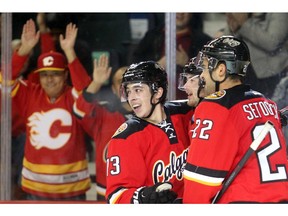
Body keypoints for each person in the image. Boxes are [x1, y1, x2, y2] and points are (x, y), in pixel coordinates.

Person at [183, 35, 288, 203]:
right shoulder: (267, 104)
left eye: (203, 68)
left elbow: (201, 181)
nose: (202, 75)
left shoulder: (215, 106)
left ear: (221, 70)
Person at [10, 19, 92, 200]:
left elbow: (85, 88)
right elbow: (5, 79)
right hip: (35, 188)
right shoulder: (30, 92)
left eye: (55, 74)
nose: (49, 80)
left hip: (72, 188)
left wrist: (69, 52)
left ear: (65, 75)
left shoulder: (74, 95)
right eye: (44, 75)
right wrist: (24, 49)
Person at [105, 61, 194, 204]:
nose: (131, 97)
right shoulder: (125, 138)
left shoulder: (186, 112)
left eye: (138, 90)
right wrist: (143, 197)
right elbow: (115, 197)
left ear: (158, 92)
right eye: (128, 91)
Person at [73, 56, 133, 201]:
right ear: (113, 89)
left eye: (131, 80)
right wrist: (96, 83)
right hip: (107, 190)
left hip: (140, 190)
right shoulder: (103, 114)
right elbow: (79, 110)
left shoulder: (153, 116)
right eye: (120, 82)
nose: (126, 85)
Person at [132, 13, 212, 99]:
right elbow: (134, 70)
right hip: (155, 101)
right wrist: (156, 66)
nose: (180, 13)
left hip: (190, 104)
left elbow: (210, 76)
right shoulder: (152, 37)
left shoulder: (202, 40)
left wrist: (187, 62)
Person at [215, 13, 288, 99]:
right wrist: (233, 28)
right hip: (241, 73)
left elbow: (272, 42)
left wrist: (244, 23)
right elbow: (228, 44)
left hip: (270, 73)